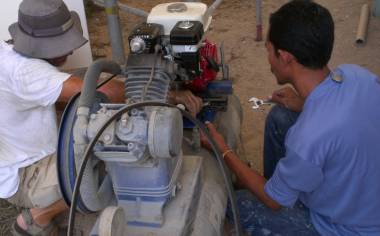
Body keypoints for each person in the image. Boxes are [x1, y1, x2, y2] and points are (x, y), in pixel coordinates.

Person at [0, 0, 203, 235]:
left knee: (93, 81)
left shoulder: (7, 52)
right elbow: (104, 92)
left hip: (15, 150)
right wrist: (169, 94)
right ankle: (37, 218)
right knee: (125, 154)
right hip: (25, 173)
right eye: (62, 46)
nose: (70, 50)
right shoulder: (27, 73)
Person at [201, 1, 380, 235]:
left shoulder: (308, 137)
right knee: (281, 117)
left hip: (346, 228)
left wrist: (222, 149)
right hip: (365, 199)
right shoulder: (357, 75)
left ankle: (281, 190)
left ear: (284, 57)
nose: (268, 58)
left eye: (268, 49)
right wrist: (304, 104)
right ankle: (282, 182)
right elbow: (347, 115)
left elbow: (273, 201)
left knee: (238, 204)